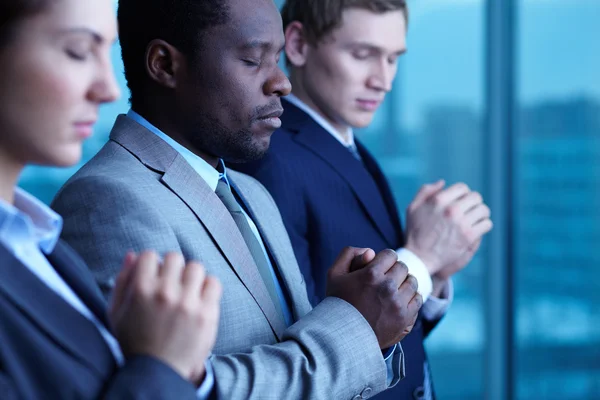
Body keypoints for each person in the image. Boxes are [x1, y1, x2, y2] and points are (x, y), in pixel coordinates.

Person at [51, 0, 423, 398]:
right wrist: (355, 326)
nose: (282, 82)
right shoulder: (105, 202)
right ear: (164, 64)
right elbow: (170, 391)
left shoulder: (254, 195)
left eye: (278, 58)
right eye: (252, 59)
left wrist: (367, 329)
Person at [234, 1, 493, 399]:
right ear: (298, 45)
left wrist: (433, 276)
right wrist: (422, 258)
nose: (384, 80)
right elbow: (305, 344)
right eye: (363, 54)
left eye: (393, 59)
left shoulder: (353, 149)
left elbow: (387, 332)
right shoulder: (272, 161)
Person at [0, 0, 222, 398]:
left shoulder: (41, 242)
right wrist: (162, 368)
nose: (109, 89)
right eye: (78, 51)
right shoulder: (90, 208)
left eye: (107, 52)